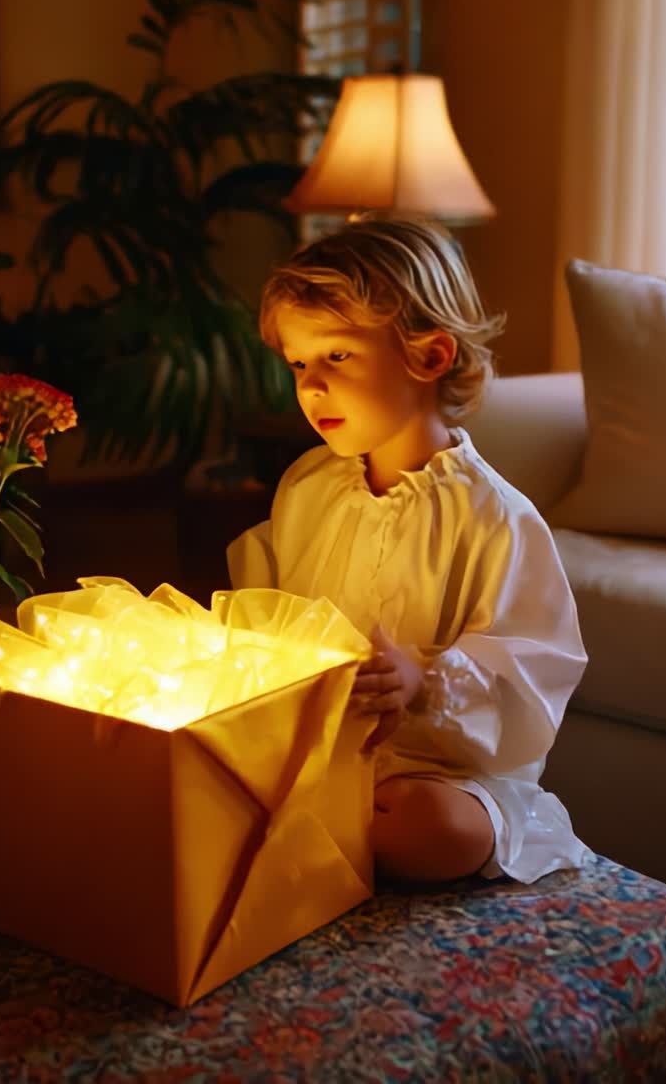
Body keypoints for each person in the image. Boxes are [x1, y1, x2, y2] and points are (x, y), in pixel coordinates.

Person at [227, 216, 589, 885]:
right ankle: (319, 822)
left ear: (428, 357)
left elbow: (536, 665)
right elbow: (268, 605)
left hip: (442, 772)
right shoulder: (308, 487)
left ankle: (324, 833)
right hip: (322, 752)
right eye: (299, 362)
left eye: (336, 357)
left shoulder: (497, 518)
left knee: (434, 827)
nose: (311, 385)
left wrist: (425, 681)